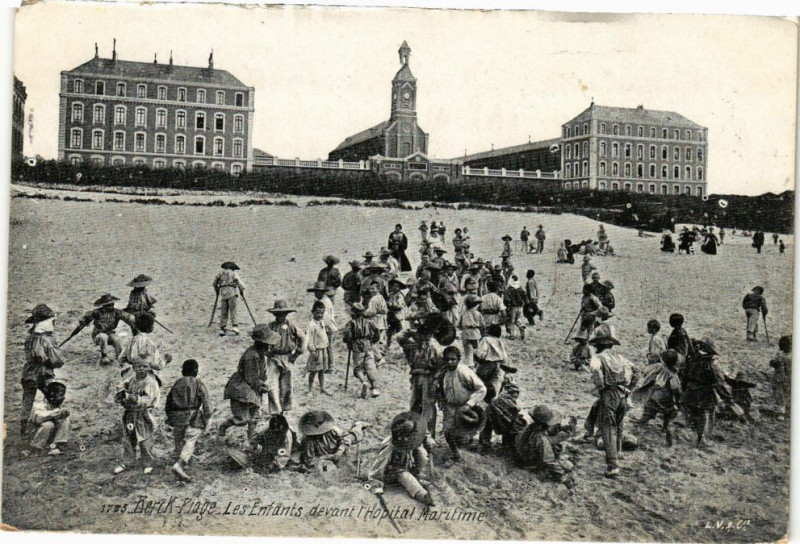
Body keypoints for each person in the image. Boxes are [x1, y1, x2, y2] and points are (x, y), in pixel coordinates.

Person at [587, 325, 636, 478]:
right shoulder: (620, 358)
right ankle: (619, 452)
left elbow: (595, 371)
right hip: (623, 393)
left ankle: (613, 465)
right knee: (619, 425)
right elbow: (634, 371)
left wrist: (600, 386)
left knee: (608, 427)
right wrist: (628, 386)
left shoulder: (598, 358)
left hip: (609, 393)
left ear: (598, 344)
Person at [219, 325, 280, 442]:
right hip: (242, 388)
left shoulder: (261, 353)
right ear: (262, 343)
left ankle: (251, 437)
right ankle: (223, 427)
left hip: (253, 388)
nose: (271, 346)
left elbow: (260, 374)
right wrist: (261, 386)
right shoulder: (251, 356)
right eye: (269, 343)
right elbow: (251, 378)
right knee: (242, 419)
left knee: (255, 415)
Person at [367, 411, 436, 506]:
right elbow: (378, 467)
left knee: (422, 452)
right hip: (393, 468)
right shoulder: (389, 447)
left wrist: (429, 442)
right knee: (403, 474)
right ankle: (420, 493)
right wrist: (376, 485)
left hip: (408, 461)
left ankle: (418, 475)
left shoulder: (415, 429)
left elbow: (425, 434)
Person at [438, 346, 487, 465]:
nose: (450, 362)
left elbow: (482, 389)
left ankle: (467, 454)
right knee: (448, 431)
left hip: (464, 407)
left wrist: (469, 404)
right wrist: (442, 399)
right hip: (450, 406)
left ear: (458, 359)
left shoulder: (463, 371)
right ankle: (455, 454)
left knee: (464, 432)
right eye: (447, 359)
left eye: (453, 359)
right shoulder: (444, 371)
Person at [165, 359, 212, 482]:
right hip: (192, 415)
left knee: (179, 439)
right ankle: (180, 465)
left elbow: (168, 402)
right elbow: (206, 404)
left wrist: (170, 417)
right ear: (196, 371)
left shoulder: (177, 383)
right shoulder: (198, 383)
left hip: (176, 415)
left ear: (183, 371)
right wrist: (206, 417)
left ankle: (180, 460)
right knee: (191, 438)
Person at [680, 338, 732, 448]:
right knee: (706, 415)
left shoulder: (691, 359)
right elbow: (718, 384)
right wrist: (727, 398)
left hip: (688, 393)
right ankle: (702, 439)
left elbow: (683, 376)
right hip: (703, 395)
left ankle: (695, 434)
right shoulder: (710, 365)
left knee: (693, 416)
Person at [20, 304, 64, 436]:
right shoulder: (46, 339)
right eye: (52, 322)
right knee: (53, 398)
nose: (54, 324)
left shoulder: (30, 338)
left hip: (28, 372)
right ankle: (55, 425)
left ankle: (24, 426)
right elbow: (56, 361)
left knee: (27, 399)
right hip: (44, 374)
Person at [114, 359, 161, 475]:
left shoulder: (150, 382)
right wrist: (121, 394)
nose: (141, 369)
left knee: (145, 438)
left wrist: (135, 399)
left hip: (143, 413)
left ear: (149, 367)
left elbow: (148, 399)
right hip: (130, 413)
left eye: (144, 366)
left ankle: (148, 462)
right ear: (134, 368)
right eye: (138, 367)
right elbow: (122, 389)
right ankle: (127, 461)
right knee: (129, 438)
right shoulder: (131, 380)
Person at [513, 405, 575, 485]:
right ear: (547, 424)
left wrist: (561, 428)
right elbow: (549, 461)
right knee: (569, 465)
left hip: (523, 455)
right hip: (531, 463)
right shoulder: (542, 439)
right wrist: (562, 477)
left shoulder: (531, 427)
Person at [633, 349, 682, 446]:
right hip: (665, 400)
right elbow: (676, 390)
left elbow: (646, 372)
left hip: (652, 396)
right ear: (675, 364)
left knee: (648, 412)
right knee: (670, 412)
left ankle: (640, 425)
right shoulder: (673, 376)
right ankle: (666, 429)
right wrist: (678, 400)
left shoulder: (657, 367)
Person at [70, 294, 136, 365]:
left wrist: (133, 323)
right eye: (108, 305)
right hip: (98, 333)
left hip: (110, 333)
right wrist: (80, 326)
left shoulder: (116, 312)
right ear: (103, 305)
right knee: (103, 337)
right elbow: (85, 319)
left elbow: (128, 318)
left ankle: (119, 357)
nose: (110, 306)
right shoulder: (97, 312)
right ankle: (104, 356)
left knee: (117, 339)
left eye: (111, 304)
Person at [266, 300, 305, 415]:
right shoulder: (270, 326)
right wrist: (266, 351)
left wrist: (297, 354)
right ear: (274, 314)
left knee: (286, 383)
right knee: (271, 383)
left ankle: (286, 407)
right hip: (273, 357)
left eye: (283, 313)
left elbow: (302, 338)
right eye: (278, 314)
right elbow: (263, 338)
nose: (280, 316)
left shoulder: (291, 327)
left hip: (287, 357)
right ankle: (274, 410)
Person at [294, 410, 368, 469]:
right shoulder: (308, 441)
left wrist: (340, 450)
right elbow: (309, 461)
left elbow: (345, 437)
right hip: (324, 458)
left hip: (337, 450)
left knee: (354, 436)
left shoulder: (332, 430)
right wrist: (327, 458)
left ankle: (358, 425)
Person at [342, 302, 381, 399]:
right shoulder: (369, 322)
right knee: (371, 366)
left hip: (357, 347)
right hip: (368, 345)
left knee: (358, 368)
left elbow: (347, 336)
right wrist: (372, 341)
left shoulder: (351, 324)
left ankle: (364, 382)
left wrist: (349, 343)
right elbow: (377, 332)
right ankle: (375, 388)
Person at [24, 380, 71, 456]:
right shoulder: (39, 404)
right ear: (52, 396)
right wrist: (54, 415)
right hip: (36, 433)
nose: (63, 397)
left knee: (65, 420)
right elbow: (39, 420)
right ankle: (34, 448)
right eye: (61, 395)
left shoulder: (55, 403)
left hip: (48, 434)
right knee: (48, 424)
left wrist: (62, 415)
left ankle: (55, 446)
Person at [119, 313, 172, 379]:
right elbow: (157, 365)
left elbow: (121, 358)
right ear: (151, 327)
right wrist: (165, 360)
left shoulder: (132, 340)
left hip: (130, 373)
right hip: (144, 375)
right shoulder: (149, 343)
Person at [303, 301, 333, 396]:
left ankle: (322, 387)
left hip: (323, 350)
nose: (320, 315)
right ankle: (310, 390)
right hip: (316, 351)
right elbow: (309, 338)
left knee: (322, 370)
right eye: (318, 313)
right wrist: (312, 350)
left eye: (322, 313)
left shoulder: (322, 322)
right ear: (313, 312)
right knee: (313, 371)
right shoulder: (311, 324)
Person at [307, 281, 338, 372]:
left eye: (318, 291)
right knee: (325, 346)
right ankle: (327, 365)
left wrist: (321, 327)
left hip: (328, 327)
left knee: (329, 347)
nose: (316, 293)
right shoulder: (321, 300)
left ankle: (331, 366)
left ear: (322, 292)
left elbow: (326, 318)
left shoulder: (325, 302)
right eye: (315, 291)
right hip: (325, 326)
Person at [485, 378, 521, 449]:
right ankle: (507, 445)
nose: (516, 396)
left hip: (494, 415)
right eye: (515, 394)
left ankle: (505, 444)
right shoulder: (507, 401)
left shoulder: (503, 399)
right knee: (513, 424)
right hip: (497, 417)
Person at [213, 261, 246, 336]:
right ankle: (235, 326)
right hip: (232, 293)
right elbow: (240, 283)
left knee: (224, 311)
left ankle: (223, 328)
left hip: (223, 294)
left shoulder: (220, 273)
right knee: (233, 310)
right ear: (232, 268)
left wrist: (217, 290)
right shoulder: (233, 273)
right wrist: (241, 290)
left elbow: (214, 283)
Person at [458, 294, 484, 368]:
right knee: (476, 349)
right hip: (476, 333)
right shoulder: (478, 314)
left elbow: (458, 324)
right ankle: (476, 363)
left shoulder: (463, 313)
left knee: (468, 350)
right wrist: (482, 333)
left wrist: (461, 327)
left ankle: (470, 364)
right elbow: (482, 325)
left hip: (466, 332)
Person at [770, 335, 791, 421]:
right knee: (783, 394)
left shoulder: (784, 356)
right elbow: (772, 363)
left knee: (782, 395)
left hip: (783, 378)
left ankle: (784, 411)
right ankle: (784, 411)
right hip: (782, 378)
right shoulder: (781, 355)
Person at [386, 278, 408, 348]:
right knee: (389, 331)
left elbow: (400, 305)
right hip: (391, 315)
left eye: (397, 286)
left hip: (398, 315)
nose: (394, 288)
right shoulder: (390, 294)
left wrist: (391, 304)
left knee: (399, 331)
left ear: (400, 287)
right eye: (393, 286)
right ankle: (388, 344)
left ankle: (401, 345)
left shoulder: (400, 295)